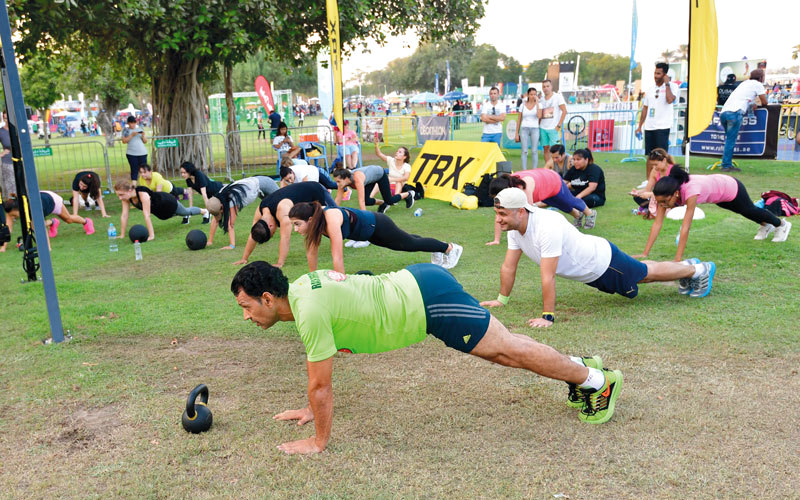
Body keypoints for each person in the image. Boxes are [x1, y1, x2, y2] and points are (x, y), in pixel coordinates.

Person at [230, 261, 624, 454]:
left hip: (427, 304)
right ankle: (581, 367)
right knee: (505, 349)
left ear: (268, 298)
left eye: (248, 307)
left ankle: (596, 381)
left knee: (508, 351)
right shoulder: (300, 290)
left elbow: (320, 383)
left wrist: (318, 442)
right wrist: (311, 408)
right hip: (419, 284)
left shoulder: (308, 312)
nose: (247, 318)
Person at [481, 188, 715, 332]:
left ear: (521, 211)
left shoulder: (546, 225)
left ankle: (697, 270)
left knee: (645, 274)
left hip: (601, 263)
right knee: (643, 271)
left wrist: (548, 316)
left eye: (502, 214)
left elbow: (548, 274)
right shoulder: (514, 227)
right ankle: (687, 267)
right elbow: (508, 266)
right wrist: (502, 300)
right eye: (497, 214)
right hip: (594, 266)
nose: (498, 220)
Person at [638, 166, 792, 261]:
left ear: (676, 193)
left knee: (749, 210)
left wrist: (677, 259)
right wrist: (645, 253)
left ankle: (781, 225)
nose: (663, 206)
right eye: (660, 203)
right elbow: (657, 223)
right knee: (744, 211)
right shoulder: (666, 194)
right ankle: (766, 225)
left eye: (665, 202)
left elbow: (685, 227)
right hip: (717, 196)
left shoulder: (690, 191)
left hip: (730, 187)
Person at [288, 201, 462, 272]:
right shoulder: (314, 225)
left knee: (408, 244)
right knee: (408, 241)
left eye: (297, 224)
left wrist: (341, 282)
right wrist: (314, 279)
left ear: (310, 219)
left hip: (377, 224)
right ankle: (438, 248)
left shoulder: (330, 218)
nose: (296, 229)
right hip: (369, 234)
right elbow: (311, 253)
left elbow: (337, 255)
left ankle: (450, 248)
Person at [234, 182, 336, 267]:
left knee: (335, 217)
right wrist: (244, 258)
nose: (274, 233)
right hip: (305, 192)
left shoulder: (282, 211)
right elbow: (253, 234)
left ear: (271, 226)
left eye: (272, 234)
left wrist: (280, 262)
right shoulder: (261, 211)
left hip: (316, 190)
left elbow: (285, 238)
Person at [485, 171, 595, 245]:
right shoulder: (508, 188)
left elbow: (529, 212)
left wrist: (531, 238)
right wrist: (496, 240)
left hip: (552, 180)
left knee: (569, 201)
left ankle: (590, 214)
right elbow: (499, 213)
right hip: (541, 188)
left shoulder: (523, 185)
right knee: (560, 204)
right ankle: (577, 215)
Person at [113, 180, 210, 242]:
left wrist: (151, 235)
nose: (120, 198)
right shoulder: (127, 198)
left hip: (168, 203)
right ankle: (185, 216)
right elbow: (124, 215)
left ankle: (204, 211)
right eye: (118, 195)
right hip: (161, 213)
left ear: (130, 190)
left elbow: (147, 215)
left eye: (121, 195)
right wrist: (122, 235)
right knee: (179, 214)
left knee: (185, 211)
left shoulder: (143, 194)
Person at [2, 191, 94, 250]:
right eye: (11, 215)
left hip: (52, 200)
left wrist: (47, 248)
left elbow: (41, 229)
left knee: (68, 219)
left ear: (19, 209)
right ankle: (52, 222)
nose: (13, 217)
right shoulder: (10, 210)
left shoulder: (33, 209)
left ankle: (87, 222)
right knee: (32, 225)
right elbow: (8, 229)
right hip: (42, 199)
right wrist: (3, 247)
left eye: (14, 215)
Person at [206, 176, 279, 250]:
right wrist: (210, 241)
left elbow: (230, 224)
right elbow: (215, 219)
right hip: (258, 184)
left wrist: (231, 245)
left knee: (282, 207)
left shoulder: (232, 200)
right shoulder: (219, 197)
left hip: (266, 184)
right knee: (271, 211)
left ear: (221, 206)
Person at [718, 69, 768, 172]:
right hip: (734, 113)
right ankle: (726, 165)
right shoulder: (757, 84)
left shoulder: (744, 83)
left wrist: (751, 104)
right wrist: (756, 105)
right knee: (730, 141)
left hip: (724, 112)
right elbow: (765, 102)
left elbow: (744, 98)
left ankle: (727, 163)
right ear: (761, 77)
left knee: (729, 140)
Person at [636, 62, 679, 157]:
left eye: (658, 73)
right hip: (649, 127)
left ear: (665, 75)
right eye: (655, 73)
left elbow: (669, 100)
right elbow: (645, 108)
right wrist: (639, 126)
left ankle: (663, 172)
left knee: (661, 157)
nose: (655, 76)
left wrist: (667, 84)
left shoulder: (673, 86)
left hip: (663, 127)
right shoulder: (650, 89)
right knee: (650, 156)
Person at [332, 165, 414, 213]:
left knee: (389, 200)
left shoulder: (357, 179)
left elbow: (361, 202)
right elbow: (338, 199)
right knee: (368, 201)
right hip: (369, 180)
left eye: (338, 181)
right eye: (336, 181)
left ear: (346, 178)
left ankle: (408, 194)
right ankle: (383, 203)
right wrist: (333, 213)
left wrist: (364, 219)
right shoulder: (342, 183)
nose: (337, 184)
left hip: (379, 174)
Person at [563, 149, 605, 226]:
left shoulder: (594, 169)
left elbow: (592, 187)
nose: (575, 162)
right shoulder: (574, 169)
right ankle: (578, 215)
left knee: (580, 200)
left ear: (586, 159)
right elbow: (563, 183)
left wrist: (578, 197)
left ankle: (590, 215)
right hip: (578, 193)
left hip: (595, 196)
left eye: (578, 159)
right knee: (564, 197)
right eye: (574, 159)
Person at [629, 148, 674, 217]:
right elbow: (647, 189)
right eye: (652, 165)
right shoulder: (655, 171)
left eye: (656, 164)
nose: (654, 167)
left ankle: (650, 208)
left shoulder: (673, 170)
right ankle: (650, 208)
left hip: (671, 198)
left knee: (662, 200)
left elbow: (669, 192)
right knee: (637, 198)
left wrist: (650, 194)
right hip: (658, 197)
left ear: (664, 160)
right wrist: (637, 192)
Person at [539, 80, 567, 165]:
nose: (546, 88)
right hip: (543, 127)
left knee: (555, 150)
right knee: (546, 149)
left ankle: (556, 168)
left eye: (547, 86)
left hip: (553, 128)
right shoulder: (541, 99)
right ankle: (548, 167)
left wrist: (558, 125)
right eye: (544, 86)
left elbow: (564, 111)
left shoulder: (558, 97)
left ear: (551, 87)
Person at [515, 87, 542, 169]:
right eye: (531, 94)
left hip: (535, 129)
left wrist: (537, 103)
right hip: (524, 129)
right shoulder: (522, 105)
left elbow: (539, 116)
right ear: (528, 95)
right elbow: (519, 119)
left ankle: (534, 169)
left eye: (535, 94)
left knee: (534, 151)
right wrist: (516, 133)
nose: (533, 96)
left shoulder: (539, 105)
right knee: (524, 151)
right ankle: (524, 169)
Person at [121, 115, 147, 182]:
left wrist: (143, 135)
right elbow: (124, 141)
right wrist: (132, 135)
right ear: (128, 123)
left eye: (134, 123)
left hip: (142, 153)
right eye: (131, 123)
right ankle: (134, 185)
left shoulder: (140, 129)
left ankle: (145, 184)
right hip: (131, 154)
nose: (133, 124)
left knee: (144, 169)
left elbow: (145, 141)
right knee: (134, 170)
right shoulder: (126, 130)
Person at [0, 111, 15, 200]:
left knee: (22, 183)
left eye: (8, 118)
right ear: (3, 118)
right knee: (10, 184)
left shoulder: (16, 130)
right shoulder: (1, 132)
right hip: (7, 162)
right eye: (5, 118)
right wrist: (2, 154)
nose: (7, 120)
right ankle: (12, 205)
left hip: (20, 160)